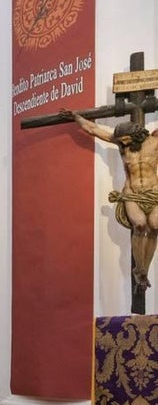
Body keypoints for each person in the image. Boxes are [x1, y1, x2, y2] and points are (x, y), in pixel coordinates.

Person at [60, 109, 158, 292]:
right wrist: (76, 116)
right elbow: (92, 129)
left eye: (126, 140)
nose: (122, 143)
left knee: (155, 226)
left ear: (136, 135)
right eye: (120, 140)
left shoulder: (155, 143)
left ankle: (144, 268)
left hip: (154, 193)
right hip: (131, 192)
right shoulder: (121, 143)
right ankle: (140, 271)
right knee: (140, 225)